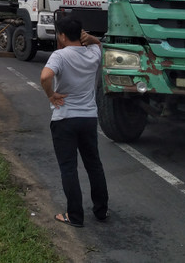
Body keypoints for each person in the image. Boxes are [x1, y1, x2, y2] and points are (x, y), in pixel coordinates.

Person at [40, 16, 108, 227]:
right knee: (93, 165)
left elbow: (45, 77)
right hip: (88, 118)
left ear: (61, 35)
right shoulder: (93, 53)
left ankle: (75, 216)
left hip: (65, 118)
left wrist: (51, 95)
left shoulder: (60, 55)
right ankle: (101, 211)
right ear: (81, 34)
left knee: (69, 168)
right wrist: (93, 38)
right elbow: (100, 44)